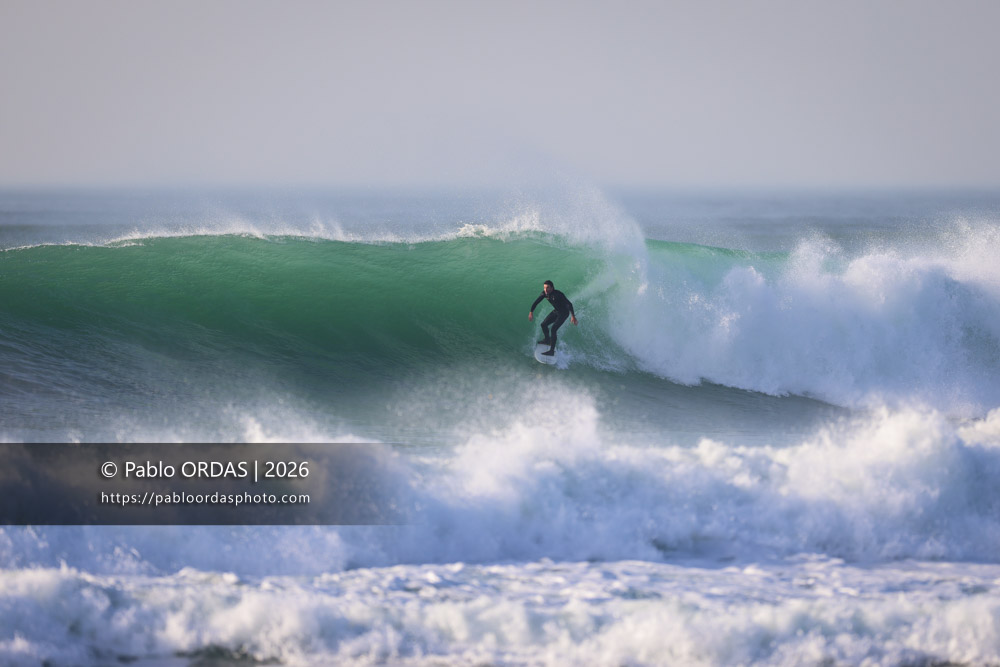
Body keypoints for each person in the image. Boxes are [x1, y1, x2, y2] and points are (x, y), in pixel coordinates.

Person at [528, 280, 578, 356]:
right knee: (543, 324)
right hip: (556, 311)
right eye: (544, 288)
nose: (545, 289)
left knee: (553, 329)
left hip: (564, 313)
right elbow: (536, 302)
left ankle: (551, 351)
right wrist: (531, 312)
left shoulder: (558, 294)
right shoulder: (544, 294)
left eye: (547, 288)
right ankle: (547, 340)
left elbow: (569, 304)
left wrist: (573, 316)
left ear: (552, 288)